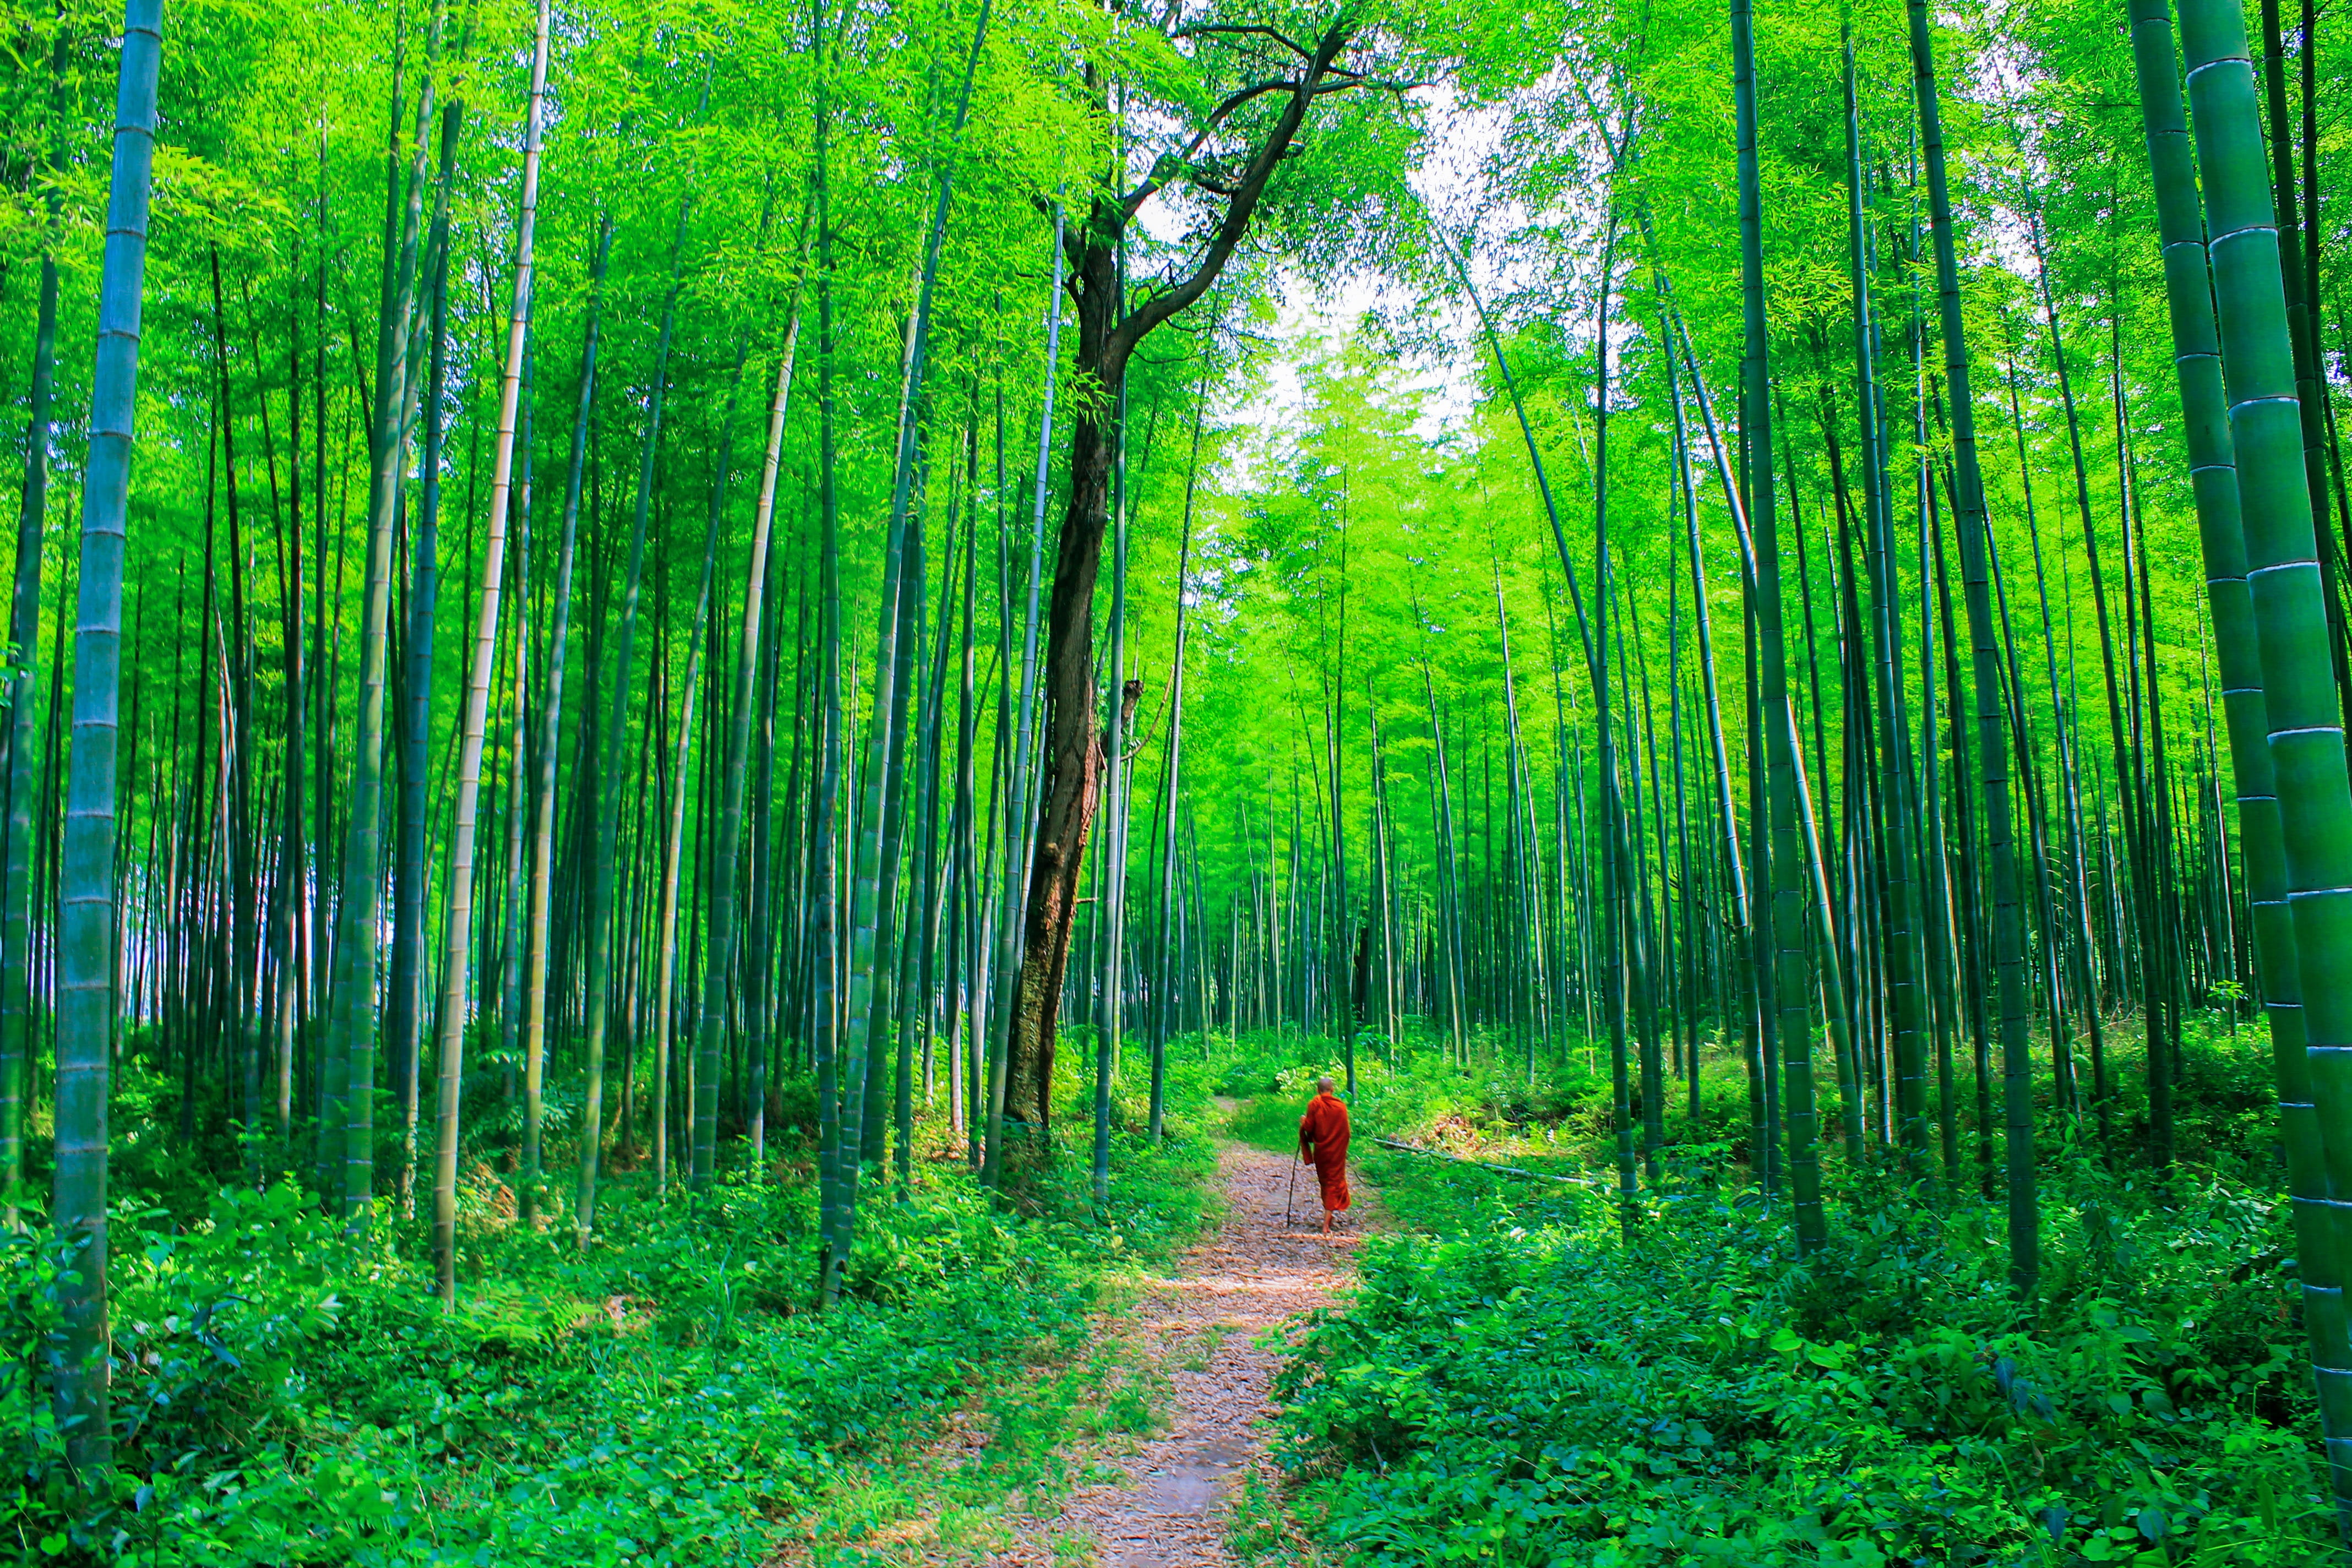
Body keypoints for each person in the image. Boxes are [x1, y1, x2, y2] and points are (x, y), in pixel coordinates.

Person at [1297, 1075, 1352, 1234]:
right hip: (1337, 1152)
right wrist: (1341, 1146)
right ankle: (1329, 1218)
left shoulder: (1315, 1104)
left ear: (1318, 1091)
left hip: (1323, 1152)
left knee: (1327, 1184)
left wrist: (1303, 1121)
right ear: (1333, 1090)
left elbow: (1310, 1127)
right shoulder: (1341, 1107)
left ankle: (1326, 1224)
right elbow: (1346, 1132)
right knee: (1333, 1182)